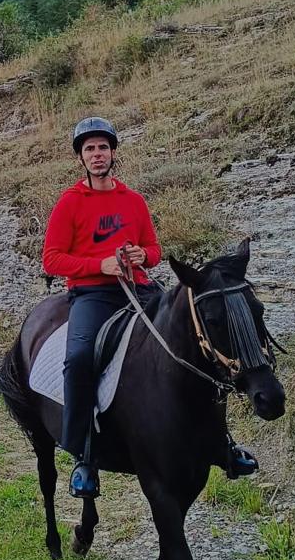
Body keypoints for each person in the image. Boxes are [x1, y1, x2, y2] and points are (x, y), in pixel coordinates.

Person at [42, 116, 257, 499]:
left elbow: (155, 251)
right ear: (80, 158)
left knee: (194, 344)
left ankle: (222, 442)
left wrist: (144, 255)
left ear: (113, 153)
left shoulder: (133, 200)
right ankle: (83, 456)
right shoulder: (69, 203)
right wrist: (99, 265)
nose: (97, 155)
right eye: (89, 149)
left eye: (102, 148)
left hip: (140, 288)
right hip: (93, 295)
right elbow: (52, 260)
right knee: (78, 358)